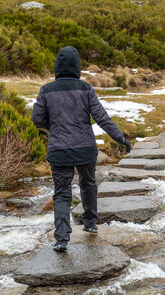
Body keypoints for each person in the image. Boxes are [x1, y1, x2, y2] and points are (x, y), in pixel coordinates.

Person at [32, 46, 131, 252]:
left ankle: (61, 239)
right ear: (77, 66)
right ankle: (90, 223)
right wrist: (120, 138)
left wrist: (55, 127)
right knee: (88, 184)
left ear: (57, 66)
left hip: (59, 150)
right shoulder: (86, 89)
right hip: (85, 148)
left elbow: (37, 120)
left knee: (61, 193)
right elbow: (102, 118)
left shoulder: (46, 90)